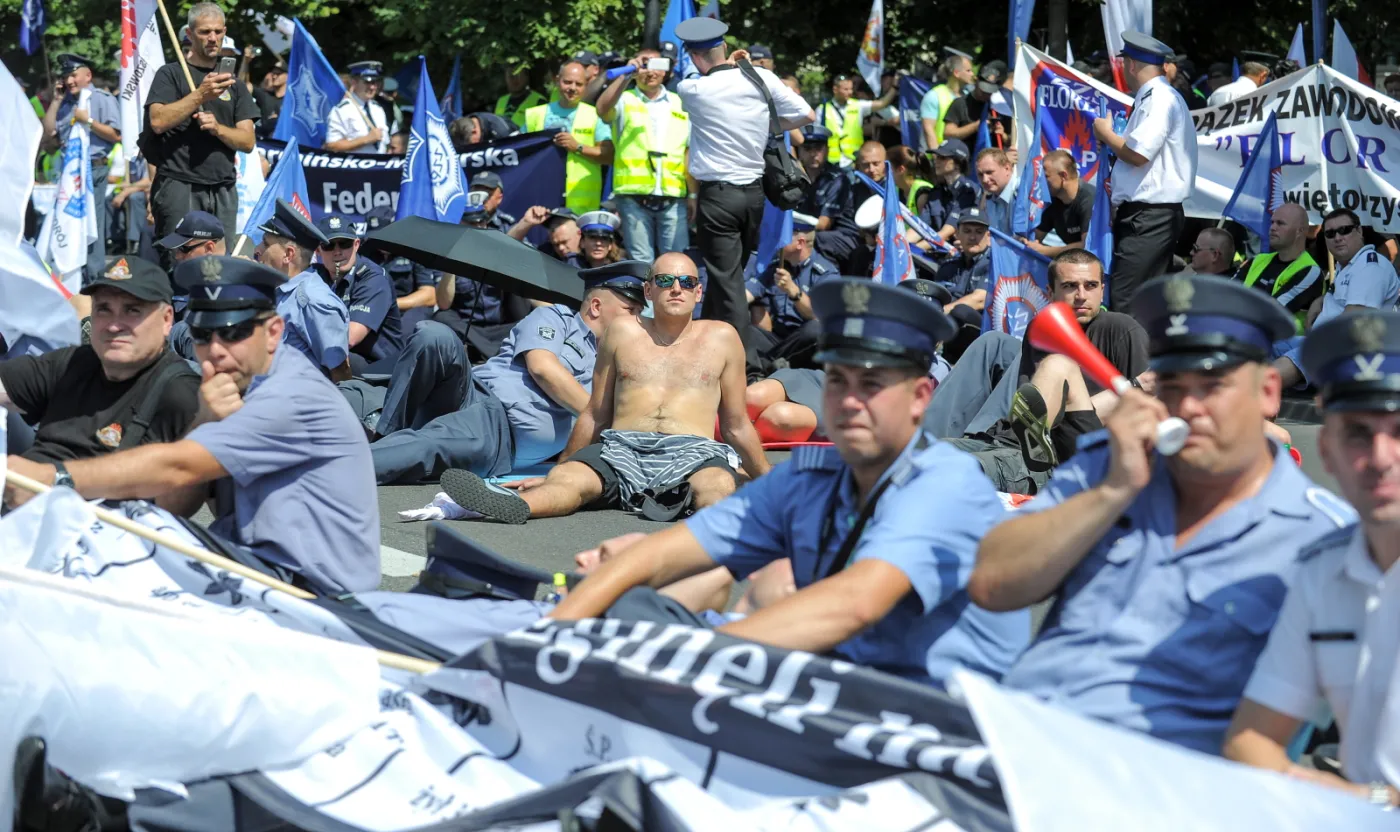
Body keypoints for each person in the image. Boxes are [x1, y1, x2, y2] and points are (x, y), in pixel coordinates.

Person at [548, 277, 1030, 687]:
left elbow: (854, 605)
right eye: (838, 382)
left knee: (658, 651)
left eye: (873, 386)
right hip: (841, 682)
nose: (849, 402)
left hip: (939, 711)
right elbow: (659, 555)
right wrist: (551, 635)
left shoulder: (944, 483)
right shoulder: (809, 476)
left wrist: (691, 658)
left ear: (921, 397)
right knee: (628, 606)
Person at [968, 272, 1354, 754]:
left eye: (1212, 385)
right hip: (1015, 746)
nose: (1188, 406)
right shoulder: (1105, 470)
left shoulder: (1324, 539)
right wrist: (1112, 491)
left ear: (1269, 394)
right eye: (1172, 384)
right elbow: (992, 582)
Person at [7, 256, 380, 595]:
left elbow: (177, 467)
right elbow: (182, 501)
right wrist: (203, 419)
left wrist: (51, 479)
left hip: (312, 593)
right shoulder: (234, 387)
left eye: (234, 332)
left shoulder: (289, 395)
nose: (216, 349)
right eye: (203, 334)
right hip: (251, 564)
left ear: (273, 332)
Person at [441, 252, 770, 524]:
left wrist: (772, 482)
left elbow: (736, 424)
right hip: (621, 448)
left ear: (698, 293)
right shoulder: (623, 332)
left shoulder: (722, 337)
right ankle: (510, 506)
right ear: (649, 291)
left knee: (717, 487)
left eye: (687, 282)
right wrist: (560, 469)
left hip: (693, 452)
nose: (676, 289)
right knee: (571, 483)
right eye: (665, 281)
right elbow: (596, 412)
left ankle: (718, 540)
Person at [1223, 309, 1400, 807]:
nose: (1382, 456)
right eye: (1359, 434)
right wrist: (1364, 802)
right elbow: (1252, 739)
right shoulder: (1324, 571)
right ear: (1327, 448)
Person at [370, 262, 646, 484]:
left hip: (501, 430)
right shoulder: (558, 318)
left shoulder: (618, 361)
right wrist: (596, 417)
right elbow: (543, 367)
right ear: (596, 307)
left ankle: (342, 467)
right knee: (434, 334)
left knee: (428, 444)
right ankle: (387, 434)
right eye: (630, 310)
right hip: (471, 392)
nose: (637, 320)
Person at [673, 17, 815, 345]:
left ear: (694, 56)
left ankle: (741, 362)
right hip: (754, 196)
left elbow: (699, 78)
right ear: (725, 46)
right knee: (729, 277)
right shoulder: (759, 76)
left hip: (718, 198)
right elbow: (807, 115)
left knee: (727, 283)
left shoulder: (692, 88)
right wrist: (761, 122)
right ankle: (704, 341)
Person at [925, 249, 1148, 441]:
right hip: (1032, 429)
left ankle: (989, 446)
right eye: (1070, 286)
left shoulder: (1120, 329)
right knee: (992, 341)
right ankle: (925, 437)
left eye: (1091, 285)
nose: (1081, 295)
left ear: (1102, 289)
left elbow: (1145, 403)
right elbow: (1026, 395)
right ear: (1050, 293)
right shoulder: (1041, 329)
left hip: (1076, 445)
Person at [0, 257, 198, 470]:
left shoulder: (180, 393)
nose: (114, 326)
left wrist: (58, 477)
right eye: (104, 309)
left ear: (167, 320)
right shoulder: (72, 363)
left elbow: (187, 484)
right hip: (27, 495)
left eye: (132, 310)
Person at [746, 278, 954, 444]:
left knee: (778, 418)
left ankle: (740, 447)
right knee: (752, 397)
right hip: (827, 382)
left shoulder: (937, 368)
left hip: (863, 406)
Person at [142, 2, 259, 272]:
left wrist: (218, 128)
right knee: (179, 264)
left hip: (223, 189)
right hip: (180, 185)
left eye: (218, 32)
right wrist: (199, 96)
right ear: (189, 34)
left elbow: (248, 142)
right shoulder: (170, 75)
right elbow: (158, 121)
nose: (213, 38)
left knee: (220, 268)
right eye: (205, 32)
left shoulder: (233, 83)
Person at [1093, 32, 1198, 313]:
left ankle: (1126, 358)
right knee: (1143, 300)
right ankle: (1139, 356)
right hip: (1148, 215)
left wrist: (1105, 133)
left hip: (1149, 217)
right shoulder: (1155, 97)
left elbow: (1138, 153)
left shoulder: (1159, 99)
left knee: (1125, 299)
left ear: (1130, 64)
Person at [1275, 208, 1400, 389]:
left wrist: (1316, 340)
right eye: (1330, 233)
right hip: (1330, 342)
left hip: (1352, 351)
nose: (1338, 237)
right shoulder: (1349, 265)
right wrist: (1322, 299)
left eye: (1345, 230)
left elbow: (1352, 322)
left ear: (1359, 231)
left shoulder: (1370, 266)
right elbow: (1345, 296)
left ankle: (1246, 399)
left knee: (1298, 356)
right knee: (1264, 343)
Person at [596, 47, 692, 264]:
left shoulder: (680, 103)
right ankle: (645, 300)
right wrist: (626, 74)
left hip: (673, 195)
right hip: (633, 196)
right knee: (641, 264)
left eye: (656, 66)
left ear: (665, 70)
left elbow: (688, 150)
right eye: (645, 66)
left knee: (675, 261)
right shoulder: (624, 99)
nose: (651, 72)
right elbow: (602, 109)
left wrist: (693, 194)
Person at [42, 53, 121, 287]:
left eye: (73, 75)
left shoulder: (102, 99)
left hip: (93, 170)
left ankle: (94, 279)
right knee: (69, 223)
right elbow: (50, 136)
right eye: (66, 77)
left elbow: (116, 135)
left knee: (90, 224)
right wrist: (56, 102)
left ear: (88, 75)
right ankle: (69, 275)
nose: (69, 81)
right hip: (70, 173)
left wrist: (88, 122)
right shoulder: (65, 102)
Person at [253, 199, 351, 378]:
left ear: (288, 255)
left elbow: (340, 374)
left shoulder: (314, 300)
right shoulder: (279, 290)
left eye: (266, 244)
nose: (258, 250)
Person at [746, 213, 838, 371]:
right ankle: (770, 365)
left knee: (815, 330)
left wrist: (793, 291)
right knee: (740, 326)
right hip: (777, 340)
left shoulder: (826, 274)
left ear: (800, 243)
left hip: (804, 343)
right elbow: (746, 294)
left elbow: (822, 317)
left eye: (782, 236)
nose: (776, 241)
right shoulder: (775, 267)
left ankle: (766, 366)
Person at [312, 214, 404, 374]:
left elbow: (349, 338)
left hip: (380, 370)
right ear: (318, 250)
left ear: (356, 245)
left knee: (329, 358)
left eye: (344, 244)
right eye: (329, 245)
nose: (337, 251)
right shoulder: (313, 276)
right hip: (345, 361)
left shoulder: (373, 278)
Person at [525, 61, 613, 214]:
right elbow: (520, 152)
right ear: (557, 81)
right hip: (541, 200)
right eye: (567, 82)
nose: (572, 88)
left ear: (586, 86)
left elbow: (609, 155)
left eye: (579, 84)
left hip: (581, 205)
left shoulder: (595, 115)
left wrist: (578, 147)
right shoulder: (535, 115)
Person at [1234, 202, 1324, 335]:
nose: (1272, 228)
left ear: (1300, 231)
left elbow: (1272, 312)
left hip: (1280, 346)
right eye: (1272, 222)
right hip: (1244, 334)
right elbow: (1228, 295)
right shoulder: (1257, 260)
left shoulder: (1311, 271)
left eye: (1280, 223)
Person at [360, 205, 440, 332]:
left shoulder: (414, 249)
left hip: (408, 308)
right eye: (375, 236)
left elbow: (429, 295)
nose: (378, 240)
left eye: (383, 235)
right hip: (372, 307)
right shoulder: (364, 251)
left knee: (406, 330)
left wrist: (390, 305)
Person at [793, 124, 860, 269]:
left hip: (843, 236)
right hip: (807, 232)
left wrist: (790, 225)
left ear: (827, 150)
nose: (813, 154)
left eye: (818, 149)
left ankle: (829, 282)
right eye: (807, 149)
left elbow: (824, 224)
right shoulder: (794, 178)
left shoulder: (838, 179)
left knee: (814, 240)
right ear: (798, 151)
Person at [814, 74, 898, 169]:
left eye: (851, 89)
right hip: (831, 162)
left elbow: (882, 103)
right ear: (835, 89)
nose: (850, 92)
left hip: (853, 161)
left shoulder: (858, 105)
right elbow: (817, 138)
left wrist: (895, 87)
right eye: (846, 89)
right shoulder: (822, 110)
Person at [1026, 150, 1094, 257]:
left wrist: (1045, 251)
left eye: (1046, 177)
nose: (1041, 182)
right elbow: (1035, 236)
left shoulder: (1089, 199)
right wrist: (1024, 241)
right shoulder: (1053, 201)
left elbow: (1087, 245)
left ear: (1063, 176)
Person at [325, 60, 390, 154]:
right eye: (368, 82)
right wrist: (366, 139)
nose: (372, 87)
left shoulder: (378, 109)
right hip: (354, 167)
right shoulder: (342, 110)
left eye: (375, 82)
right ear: (354, 82)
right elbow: (332, 145)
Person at [935, 208, 992, 315]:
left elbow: (979, 300)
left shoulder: (993, 265)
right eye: (967, 231)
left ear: (988, 236)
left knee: (960, 312)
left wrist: (939, 312)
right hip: (944, 323)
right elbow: (934, 296)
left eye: (979, 232)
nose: (972, 237)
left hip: (978, 328)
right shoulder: (948, 266)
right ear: (957, 234)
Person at [942, 63, 1012, 147]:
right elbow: (948, 134)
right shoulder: (960, 103)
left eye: (990, 92)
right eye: (983, 90)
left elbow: (1013, 141)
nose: (986, 94)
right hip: (966, 158)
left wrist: (1002, 134)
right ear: (976, 81)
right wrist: (976, 126)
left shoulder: (1000, 107)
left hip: (993, 157)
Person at [922, 139, 980, 242]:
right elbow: (920, 226)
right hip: (935, 250)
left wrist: (912, 249)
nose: (936, 161)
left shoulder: (968, 191)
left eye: (943, 158)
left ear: (958, 163)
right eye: (937, 157)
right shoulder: (936, 192)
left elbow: (946, 233)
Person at [921, 49, 974, 151]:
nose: (972, 74)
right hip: (942, 155)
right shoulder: (934, 95)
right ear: (956, 73)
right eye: (968, 70)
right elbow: (928, 129)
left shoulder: (968, 95)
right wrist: (937, 155)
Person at [974, 147, 1018, 235]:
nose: (985, 180)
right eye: (980, 174)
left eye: (989, 172)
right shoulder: (988, 200)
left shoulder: (1023, 193)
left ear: (1007, 168)